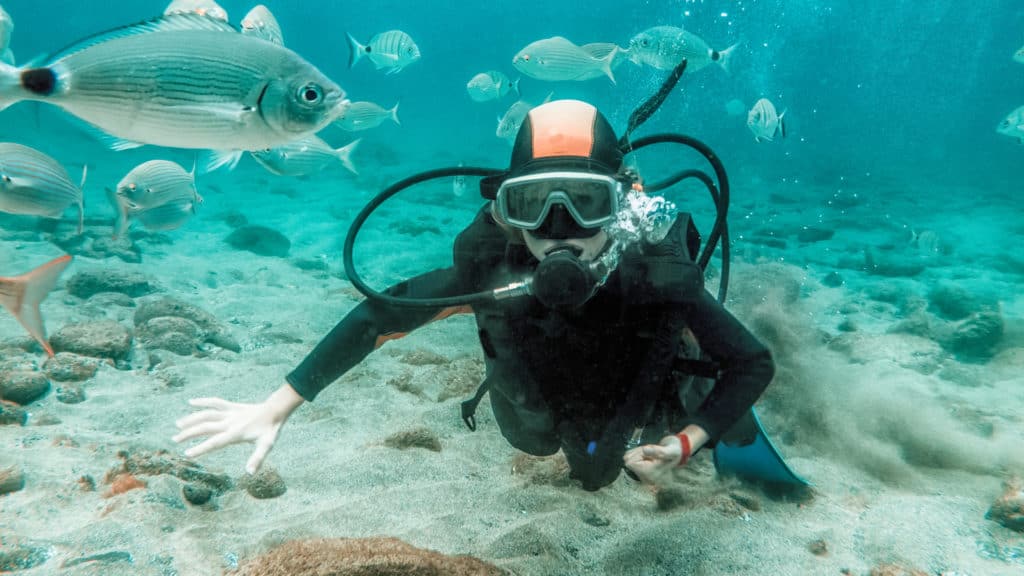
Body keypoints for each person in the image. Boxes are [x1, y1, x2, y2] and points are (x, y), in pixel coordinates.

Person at [174, 99, 777, 491]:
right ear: (506, 210)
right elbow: (378, 314)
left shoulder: (655, 272)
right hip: (549, 397)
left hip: (646, 387)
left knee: (670, 402)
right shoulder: (495, 271)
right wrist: (275, 406)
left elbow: (752, 361)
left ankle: (687, 403)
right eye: (534, 205)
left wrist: (685, 441)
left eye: (586, 203)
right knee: (548, 445)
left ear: (621, 206)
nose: (560, 227)